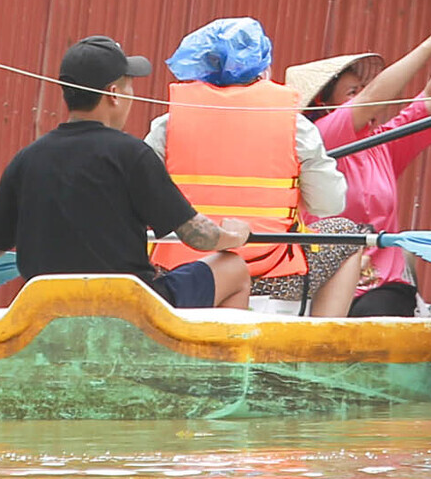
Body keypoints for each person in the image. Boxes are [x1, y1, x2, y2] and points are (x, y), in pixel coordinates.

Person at [0, 35, 253, 310]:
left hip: (48, 309)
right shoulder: (132, 155)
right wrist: (234, 235)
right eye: (129, 86)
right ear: (114, 95)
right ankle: (211, 359)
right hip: (130, 309)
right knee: (235, 268)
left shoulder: (26, 160)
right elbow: (198, 237)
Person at [144, 17, 361, 317]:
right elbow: (329, 204)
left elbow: (140, 201)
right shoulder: (295, 126)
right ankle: (323, 343)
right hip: (274, 274)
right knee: (347, 233)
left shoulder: (167, 125)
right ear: (263, 67)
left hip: (186, 272)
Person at [294, 0, 431, 318]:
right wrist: (428, 46)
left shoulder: (382, 142)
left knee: (375, 314)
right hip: (322, 283)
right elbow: (372, 99)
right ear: (325, 105)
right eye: (351, 93)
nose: (361, 97)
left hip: (383, 283)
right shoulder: (320, 137)